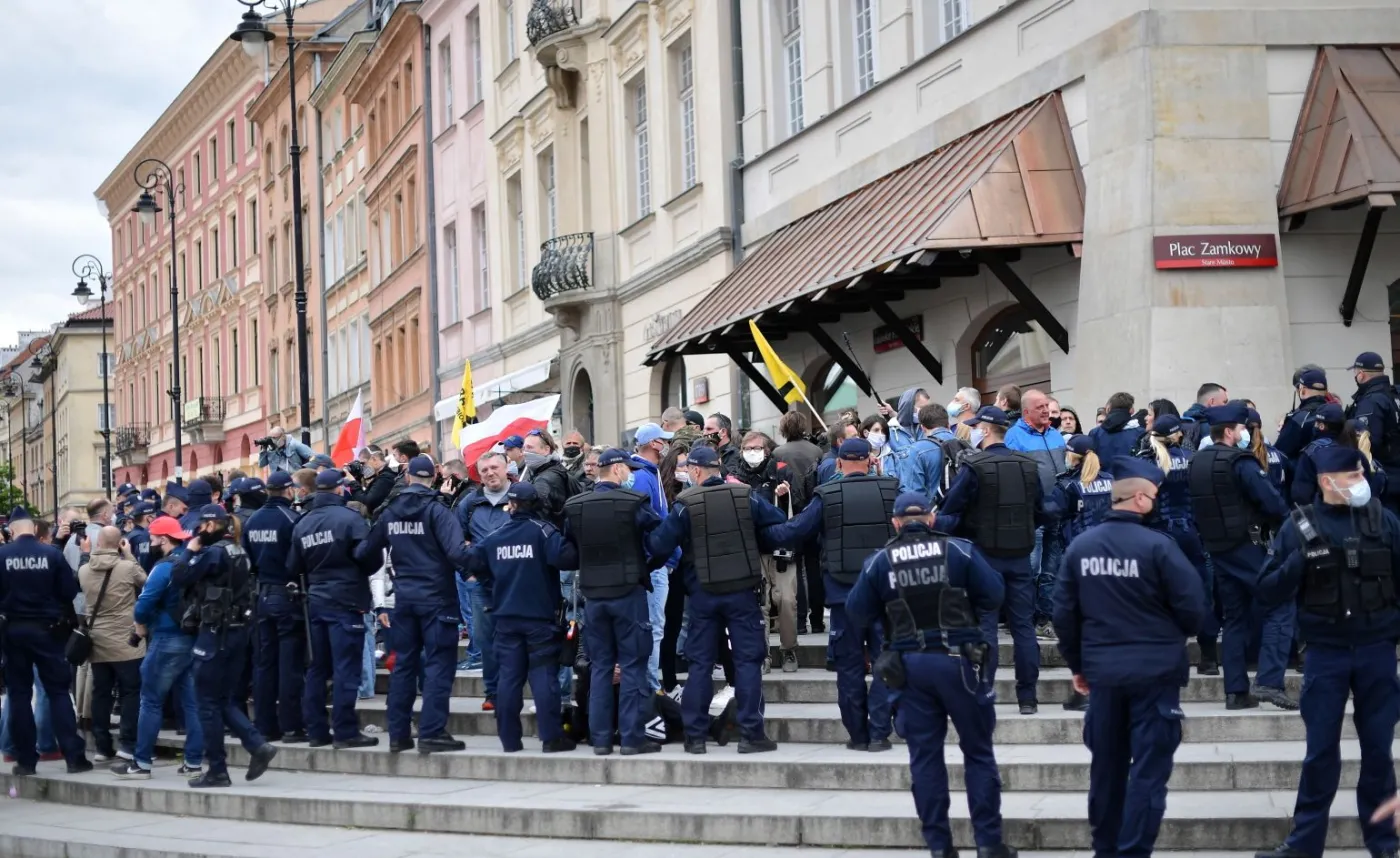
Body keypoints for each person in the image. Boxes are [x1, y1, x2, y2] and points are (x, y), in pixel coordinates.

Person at [844, 491, 1011, 858]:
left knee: (924, 758)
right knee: (979, 753)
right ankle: (988, 843)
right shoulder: (960, 550)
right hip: (958, 660)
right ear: (932, 519)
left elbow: (856, 610)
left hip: (910, 667)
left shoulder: (880, 561)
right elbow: (995, 595)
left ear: (896, 522)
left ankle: (939, 846)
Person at [1054, 457, 1206, 858]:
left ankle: (1106, 849)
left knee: (1106, 769)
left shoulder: (1080, 547)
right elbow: (1194, 608)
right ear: (1139, 498)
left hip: (1104, 674)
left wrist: (1077, 666)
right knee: (1148, 774)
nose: (1155, 503)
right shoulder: (1160, 546)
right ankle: (1133, 851)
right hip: (1155, 674)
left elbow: (1064, 614)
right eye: (1153, 497)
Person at [1255, 445, 1400, 858]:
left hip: (1376, 651)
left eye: (1361, 474)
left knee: (1378, 753)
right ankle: (1303, 847)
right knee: (1320, 753)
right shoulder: (1299, 526)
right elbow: (1266, 590)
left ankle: (1384, 846)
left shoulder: (1383, 520)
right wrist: (1299, 563)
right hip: (1326, 654)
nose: (1361, 482)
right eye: (1353, 476)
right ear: (1327, 481)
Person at [648, 445, 788, 753]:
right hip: (742, 592)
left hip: (703, 594)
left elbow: (659, 545)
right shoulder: (744, 496)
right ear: (719, 468)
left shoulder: (685, 503)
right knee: (748, 661)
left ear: (696, 471)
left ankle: (695, 737)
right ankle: (752, 734)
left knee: (700, 663)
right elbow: (777, 518)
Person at [767, 438, 898, 749]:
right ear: (871, 460)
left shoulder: (826, 495)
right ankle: (880, 732)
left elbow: (795, 531)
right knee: (885, 663)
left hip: (843, 597)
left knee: (849, 667)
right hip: (884, 596)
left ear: (838, 464)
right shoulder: (892, 490)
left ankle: (858, 734)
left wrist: (762, 529)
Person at [355, 455, 472, 754]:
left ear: (408, 478)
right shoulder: (437, 510)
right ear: (433, 478)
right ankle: (432, 732)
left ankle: (398, 734)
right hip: (437, 599)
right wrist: (478, 569)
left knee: (404, 665)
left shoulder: (390, 513)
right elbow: (457, 552)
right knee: (438, 666)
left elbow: (367, 551)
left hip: (404, 600)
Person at [937, 406, 1049, 714]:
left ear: (985, 431)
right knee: (1023, 627)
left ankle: (985, 689)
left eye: (976, 426)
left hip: (984, 557)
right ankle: (1028, 697)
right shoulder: (1027, 465)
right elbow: (1040, 510)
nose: (971, 430)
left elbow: (950, 508)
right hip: (1019, 557)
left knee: (986, 625)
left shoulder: (974, 466)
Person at [1187, 401, 1294, 710]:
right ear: (1231, 431)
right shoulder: (1240, 461)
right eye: (1243, 428)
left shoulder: (1197, 462)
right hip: (1248, 547)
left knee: (1235, 617)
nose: (1246, 433)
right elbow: (1273, 504)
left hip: (1218, 549)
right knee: (1281, 604)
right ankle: (1269, 681)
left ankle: (1236, 691)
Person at [564, 448, 669, 755]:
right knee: (634, 666)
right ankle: (633, 738)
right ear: (619, 470)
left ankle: (600, 740)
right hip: (628, 595)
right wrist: (648, 565)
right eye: (629, 469)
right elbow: (660, 539)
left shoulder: (576, 505)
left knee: (600, 668)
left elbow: (566, 549)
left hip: (594, 597)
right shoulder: (633, 502)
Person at [464, 481, 579, 753]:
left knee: (509, 680)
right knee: (544, 677)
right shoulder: (543, 532)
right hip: (539, 619)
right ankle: (551, 738)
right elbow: (569, 559)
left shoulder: (495, 537)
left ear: (511, 505)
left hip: (505, 619)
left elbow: (471, 561)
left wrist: (492, 586)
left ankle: (509, 740)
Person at [172, 505, 279, 788]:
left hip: (215, 634)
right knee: (223, 700)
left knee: (207, 703)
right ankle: (257, 745)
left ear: (210, 525)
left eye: (200, 527)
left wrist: (190, 550)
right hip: (237, 632)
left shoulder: (214, 553)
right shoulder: (238, 549)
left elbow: (180, 576)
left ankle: (218, 769)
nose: (197, 531)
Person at [288, 469, 377, 749]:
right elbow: (368, 557)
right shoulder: (350, 518)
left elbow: (293, 566)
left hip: (317, 601)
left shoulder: (303, 524)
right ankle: (345, 730)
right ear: (339, 490)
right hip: (347, 599)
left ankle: (316, 730)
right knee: (346, 668)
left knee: (318, 668)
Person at [0, 507, 92, 777]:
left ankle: (26, 760)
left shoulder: (2, 555)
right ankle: (74, 758)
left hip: (12, 631)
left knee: (18, 695)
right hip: (48, 631)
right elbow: (68, 591)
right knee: (58, 693)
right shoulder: (51, 554)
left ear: (12, 531)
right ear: (35, 529)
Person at [111, 515, 205, 779]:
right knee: (191, 702)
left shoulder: (163, 568)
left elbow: (143, 604)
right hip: (191, 637)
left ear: (163, 539)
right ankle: (194, 762)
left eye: (152, 539)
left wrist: (140, 623)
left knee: (151, 701)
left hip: (165, 638)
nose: (149, 543)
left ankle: (141, 763)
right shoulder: (191, 562)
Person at [1142, 415, 1220, 676]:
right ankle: (1208, 655)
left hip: (1159, 535)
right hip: (1189, 532)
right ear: (1177, 435)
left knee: (1159, 595)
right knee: (1200, 592)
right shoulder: (1192, 458)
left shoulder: (1147, 461)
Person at [242, 470, 306, 743]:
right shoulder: (291, 519)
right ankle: (291, 725)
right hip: (286, 594)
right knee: (289, 664)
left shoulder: (252, 521)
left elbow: (249, 560)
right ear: (289, 490)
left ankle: (265, 725)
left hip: (261, 595)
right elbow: (297, 560)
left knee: (264, 663)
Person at [1005, 389, 1069, 642]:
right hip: (1032, 515)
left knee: (1052, 568)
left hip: (1058, 512)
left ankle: (1045, 617)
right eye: (1040, 406)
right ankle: (1022, 618)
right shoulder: (1014, 437)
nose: (1046, 410)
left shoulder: (1055, 434)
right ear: (1026, 411)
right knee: (1030, 567)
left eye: (1047, 406)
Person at [80, 526, 147, 763]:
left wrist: (86, 554)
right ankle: (127, 744)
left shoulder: (84, 570)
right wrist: (128, 554)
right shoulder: (127, 567)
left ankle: (101, 746)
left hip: (97, 642)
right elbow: (147, 582)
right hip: (127, 641)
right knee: (131, 692)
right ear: (119, 543)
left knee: (101, 693)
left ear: (98, 543)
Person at [457, 451, 513, 702]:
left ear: (506, 467)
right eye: (484, 471)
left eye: (494, 467)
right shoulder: (469, 503)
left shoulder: (522, 497)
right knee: (485, 640)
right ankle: (492, 692)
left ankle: (514, 688)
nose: (490, 473)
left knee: (517, 638)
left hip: (518, 583)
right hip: (482, 584)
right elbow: (455, 541)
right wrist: (468, 574)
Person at [631, 422, 680, 690]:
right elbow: (649, 523)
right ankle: (650, 689)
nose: (668, 445)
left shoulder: (648, 472)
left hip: (655, 561)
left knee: (654, 627)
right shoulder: (642, 475)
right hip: (653, 565)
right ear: (654, 444)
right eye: (664, 440)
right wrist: (665, 553)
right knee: (653, 628)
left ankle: (649, 686)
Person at [521, 429, 576, 526]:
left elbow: (537, 516)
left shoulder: (546, 479)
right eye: (524, 448)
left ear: (546, 450)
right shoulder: (550, 469)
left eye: (530, 448)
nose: (525, 453)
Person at [1276, 368, 1331, 458]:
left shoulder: (1298, 419)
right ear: (1326, 391)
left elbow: (1280, 453)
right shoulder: (1339, 414)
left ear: (1303, 390)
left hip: (1305, 470)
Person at [1088, 392, 1146, 464]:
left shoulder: (1095, 433)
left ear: (1108, 409)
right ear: (1131, 410)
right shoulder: (1141, 434)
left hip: (1101, 474)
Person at [1181, 383, 1229, 452]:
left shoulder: (1183, 420)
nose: (1226, 406)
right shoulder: (1212, 427)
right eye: (1224, 402)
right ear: (1212, 402)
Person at [126, 502, 154, 572]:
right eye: (154, 516)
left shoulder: (132, 534)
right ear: (148, 518)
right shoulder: (143, 537)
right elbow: (144, 563)